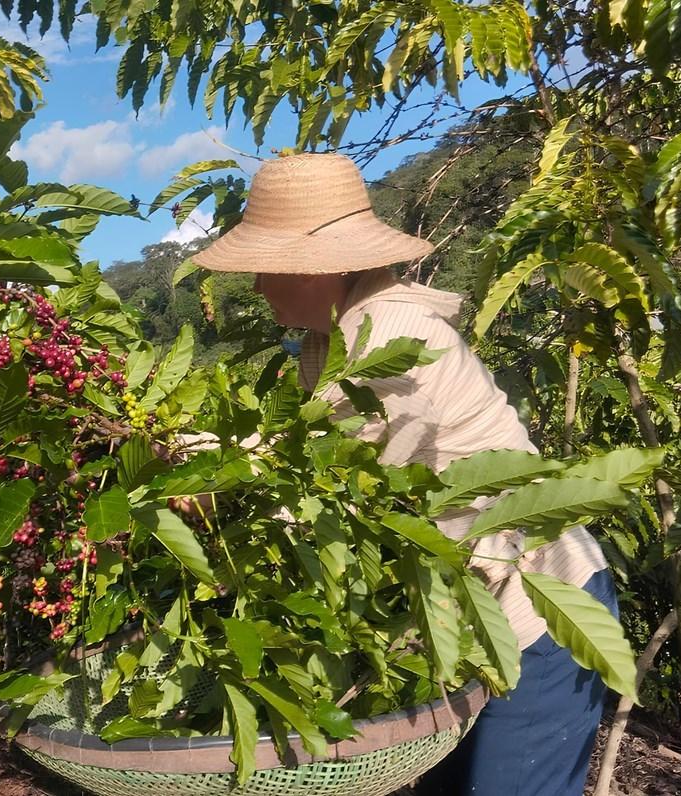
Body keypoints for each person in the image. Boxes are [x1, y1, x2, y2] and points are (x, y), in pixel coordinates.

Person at [191, 152, 619, 796]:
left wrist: (204, 489)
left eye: (265, 267)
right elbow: (295, 449)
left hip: (538, 614)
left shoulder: (386, 342)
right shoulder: (327, 336)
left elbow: (329, 497)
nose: (255, 286)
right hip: (463, 612)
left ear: (316, 270)